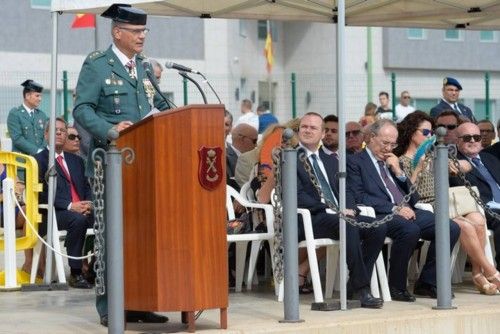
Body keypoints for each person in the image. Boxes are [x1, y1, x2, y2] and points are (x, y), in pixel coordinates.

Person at [72, 3, 170, 327]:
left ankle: (140, 301)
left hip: (143, 167)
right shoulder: (97, 65)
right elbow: (82, 110)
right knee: (112, 236)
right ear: (118, 32)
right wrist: (111, 131)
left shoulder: (142, 67)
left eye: (144, 31)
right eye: (136, 31)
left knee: (143, 235)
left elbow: (161, 104)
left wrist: (178, 116)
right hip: (108, 164)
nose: (142, 37)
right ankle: (109, 306)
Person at [347, 119, 460, 301]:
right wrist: (394, 208)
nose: (389, 148)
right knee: (409, 230)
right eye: (385, 143)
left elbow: (413, 198)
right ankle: (396, 286)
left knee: (450, 227)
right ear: (371, 138)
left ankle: (427, 282)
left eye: (393, 144)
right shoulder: (355, 162)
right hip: (381, 213)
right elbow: (360, 197)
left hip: (408, 211)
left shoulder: (392, 161)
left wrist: (399, 172)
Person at [395, 112, 498, 295]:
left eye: (432, 133)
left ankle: (477, 273)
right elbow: (407, 193)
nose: (430, 137)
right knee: (465, 226)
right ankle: (490, 271)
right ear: (412, 133)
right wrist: (418, 169)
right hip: (425, 206)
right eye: (426, 132)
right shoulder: (402, 160)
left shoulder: (434, 155)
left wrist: (460, 166)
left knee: (476, 217)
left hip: (445, 203)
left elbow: (466, 163)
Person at [296, 112, 386, 308]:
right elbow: (297, 196)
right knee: (347, 225)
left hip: (336, 217)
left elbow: (345, 190)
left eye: (313, 128)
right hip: (309, 218)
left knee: (378, 227)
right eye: (304, 126)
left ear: (321, 134)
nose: (308, 130)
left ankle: (355, 284)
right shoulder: (290, 158)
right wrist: (332, 208)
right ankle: (362, 288)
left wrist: (349, 207)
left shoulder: (328, 161)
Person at [35, 118, 94, 289]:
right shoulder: (39, 160)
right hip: (54, 213)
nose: (59, 133)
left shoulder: (76, 160)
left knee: (109, 219)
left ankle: (95, 268)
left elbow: (86, 186)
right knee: (78, 220)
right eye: (55, 130)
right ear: (46, 134)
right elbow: (42, 194)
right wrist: (70, 205)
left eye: (62, 130)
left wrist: (88, 203)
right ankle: (76, 273)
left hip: (82, 208)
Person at [450, 122, 500, 275]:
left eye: (476, 137)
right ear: (457, 141)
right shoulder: (452, 162)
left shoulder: (490, 158)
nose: (473, 141)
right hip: (484, 209)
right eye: (467, 138)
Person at [7, 80, 48, 156]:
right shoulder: (15, 114)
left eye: (40, 96)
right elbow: (17, 138)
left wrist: (42, 151)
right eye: (37, 96)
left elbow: (46, 135)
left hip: (41, 160)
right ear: (27, 96)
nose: (40, 99)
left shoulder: (42, 115)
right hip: (22, 161)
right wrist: (37, 151)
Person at [227, 123, 258, 190]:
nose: (256, 145)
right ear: (243, 139)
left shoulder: (254, 157)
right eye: (254, 141)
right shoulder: (225, 158)